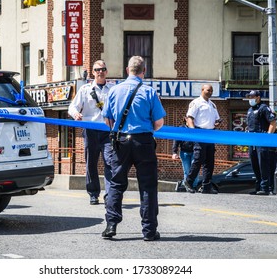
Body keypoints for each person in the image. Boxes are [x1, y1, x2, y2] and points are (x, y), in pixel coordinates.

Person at [101, 56, 166, 241]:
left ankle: (111, 225)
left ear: (127, 69)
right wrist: (146, 130)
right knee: (148, 185)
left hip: (120, 141)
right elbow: (159, 122)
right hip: (143, 141)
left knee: (116, 183)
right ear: (144, 71)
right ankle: (149, 230)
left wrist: (119, 128)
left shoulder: (114, 90)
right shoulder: (149, 92)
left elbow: (107, 119)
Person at [68, 60, 114, 205]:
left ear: (106, 71)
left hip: (107, 131)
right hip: (91, 130)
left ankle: (110, 195)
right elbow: (72, 107)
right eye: (97, 69)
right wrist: (76, 114)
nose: (100, 72)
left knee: (110, 162)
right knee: (91, 164)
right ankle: (93, 193)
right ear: (93, 72)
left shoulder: (112, 90)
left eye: (103, 69)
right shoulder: (85, 89)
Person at [182, 84, 221, 194]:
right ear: (202, 90)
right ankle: (188, 182)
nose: (210, 92)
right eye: (208, 90)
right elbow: (190, 118)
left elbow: (217, 119)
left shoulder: (212, 105)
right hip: (199, 132)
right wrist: (193, 132)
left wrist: (217, 122)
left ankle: (206, 186)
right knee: (199, 158)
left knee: (209, 161)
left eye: (211, 91)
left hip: (210, 134)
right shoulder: (196, 103)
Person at [245, 90, 277, 195]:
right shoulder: (250, 109)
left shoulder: (264, 108)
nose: (250, 99)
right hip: (252, 141)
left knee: (263, 164)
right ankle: (258, 187)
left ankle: (265, 188)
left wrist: (267, 136)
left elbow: (273, 122)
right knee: (255, 164)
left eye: (252, 97)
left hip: (261, 141)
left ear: (258, 97)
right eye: (249, 97)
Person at [172, 117, 199, 191]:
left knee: (195, 169)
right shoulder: (181, 128)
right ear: (185, 119)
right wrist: (174, 152)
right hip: (184, 152)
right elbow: (176, 140)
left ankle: (194, 186)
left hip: (195, 152)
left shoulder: (196, 128)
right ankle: (188, 187)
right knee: (187, 170)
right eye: (190, 118)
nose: (192, 120)